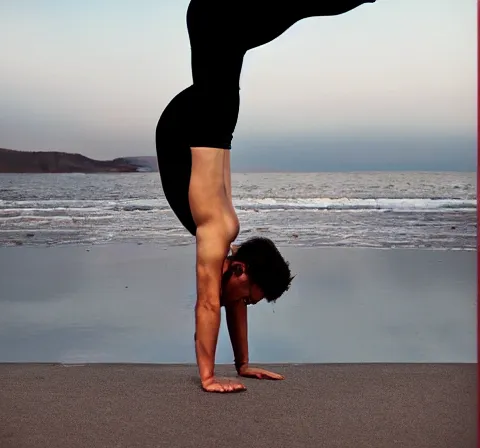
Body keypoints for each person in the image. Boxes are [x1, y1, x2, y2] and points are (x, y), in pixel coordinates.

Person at [155, 0, 377, 392]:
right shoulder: (216, 232)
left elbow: (220, 302)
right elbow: (210, 303)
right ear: (241, 270)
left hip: (210, 109)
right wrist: (208, 377)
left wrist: (242, 365)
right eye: (251, 299)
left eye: (249, 301)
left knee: (283, 11)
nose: (242, 305)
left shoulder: (222, 236)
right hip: (206, 107)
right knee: (282, 9)